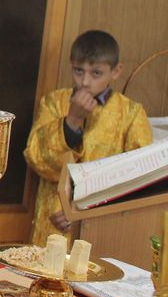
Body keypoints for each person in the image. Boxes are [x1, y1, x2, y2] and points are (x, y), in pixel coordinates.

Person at [23, 30, 152, 245]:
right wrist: (72, 120)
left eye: (96, 73)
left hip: (101, 228)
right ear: (71, 64)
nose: (84, 81)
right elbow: (36, 158)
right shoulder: (54, 103)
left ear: (116, 71)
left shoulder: (131, 114)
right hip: (53, 225)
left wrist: (86, 210)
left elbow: (140, 178)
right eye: (78, 71)